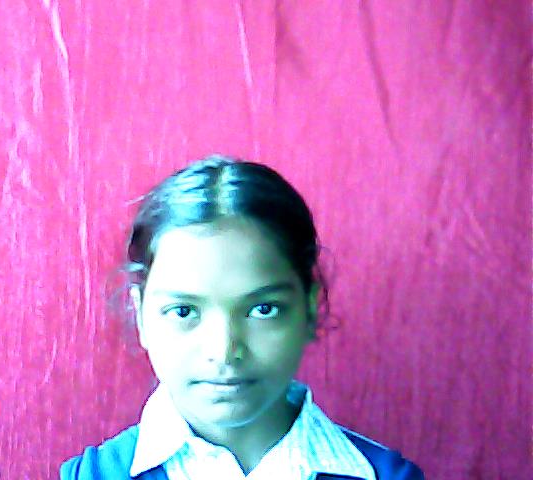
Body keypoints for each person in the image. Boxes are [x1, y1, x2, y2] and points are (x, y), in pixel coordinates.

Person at [60, 155, 424, 479]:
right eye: (184, 311)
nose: (224, 351)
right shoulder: (93, 476)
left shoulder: (387, 476)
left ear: (310, 310)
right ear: (141, 317)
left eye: (263, 309)